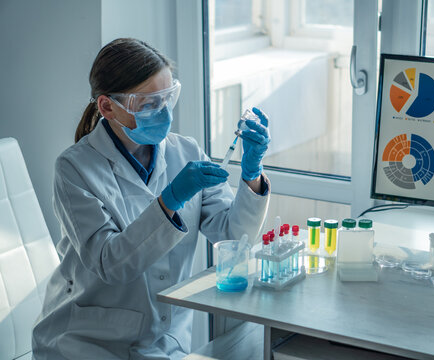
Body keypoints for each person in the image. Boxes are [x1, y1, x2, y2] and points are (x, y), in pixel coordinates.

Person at [32, 38, 271, 359]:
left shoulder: (185, 151)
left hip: (162, 340)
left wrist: (251, 174)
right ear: (107, 106)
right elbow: (111, 264)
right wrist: (170, 200)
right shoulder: (74, 168)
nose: (162, 112)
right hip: (86, 343)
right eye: (147, 104)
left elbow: (233, 235)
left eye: (167, 98)